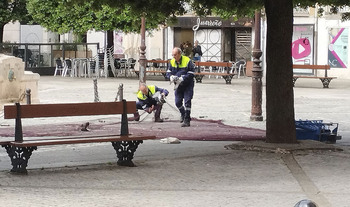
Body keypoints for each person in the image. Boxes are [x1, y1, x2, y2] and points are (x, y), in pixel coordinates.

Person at [166, 47, 195, 127]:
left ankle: (187, 119)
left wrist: (183, 78)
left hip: (188, 84)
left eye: (175, 55)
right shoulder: (172, 62)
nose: (173, 57)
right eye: (172, 55)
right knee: (177, 102)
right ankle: (183, 113)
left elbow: (192, 73)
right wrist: (170, 77)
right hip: (178, 85)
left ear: (179, 54)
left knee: (187, 101)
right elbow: (168, 72)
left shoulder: (187, 61)